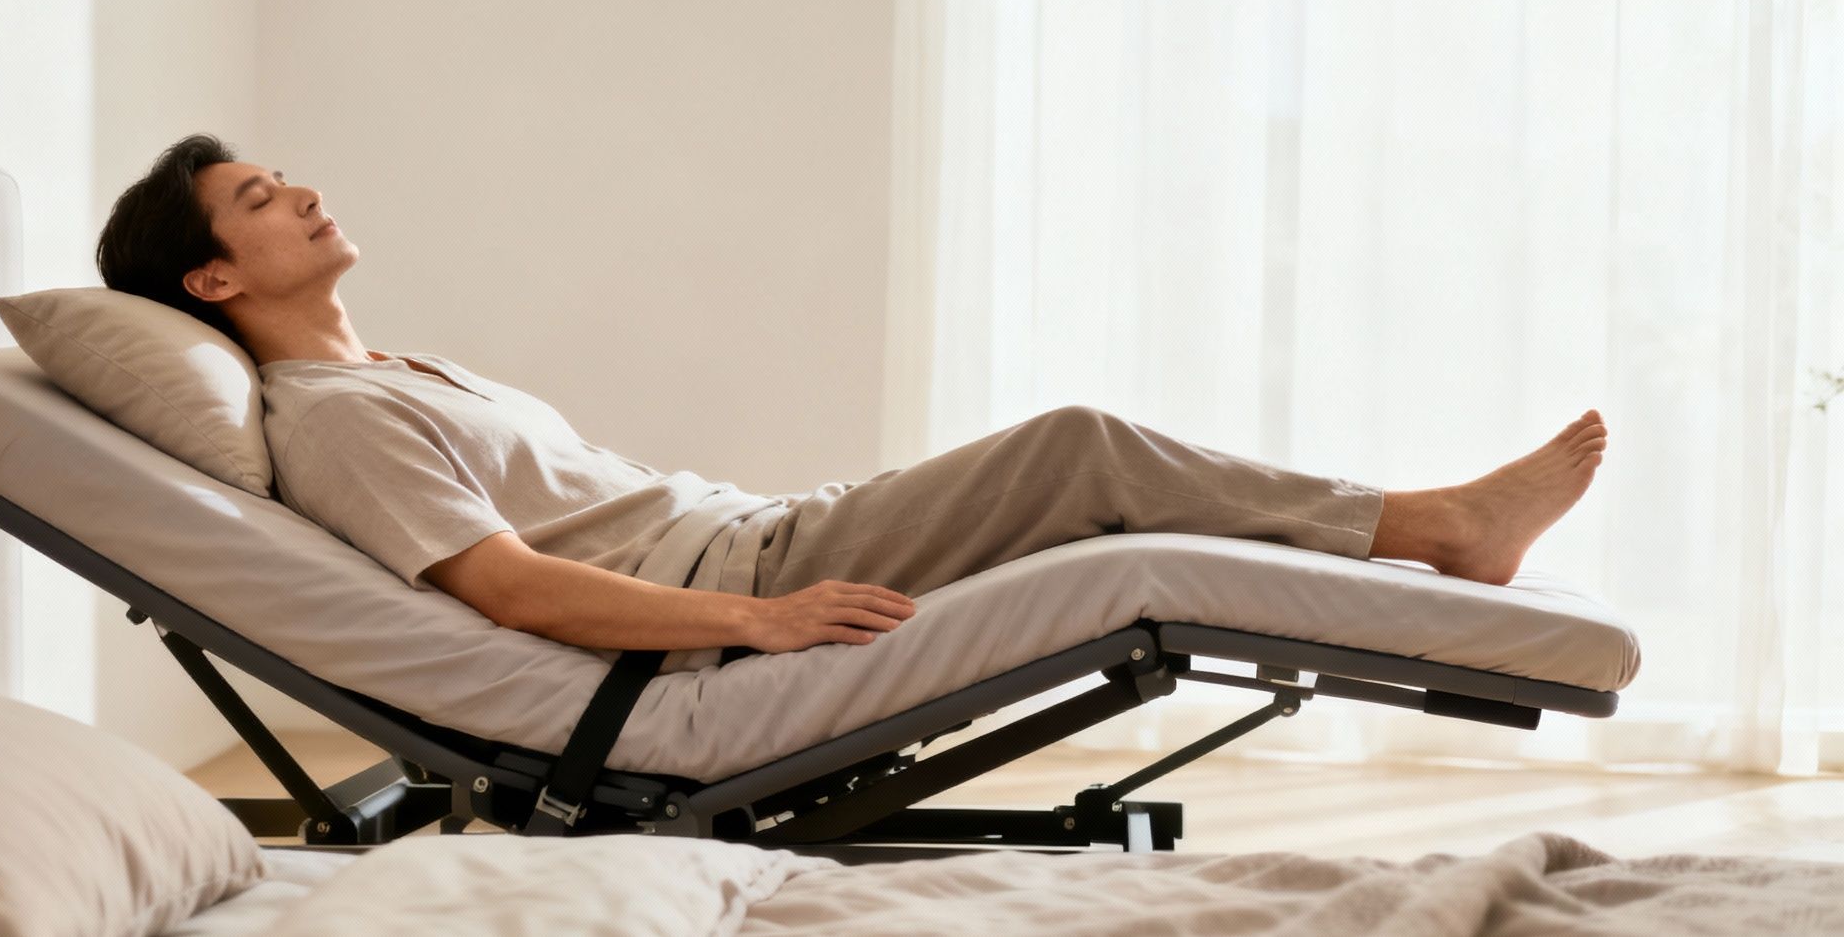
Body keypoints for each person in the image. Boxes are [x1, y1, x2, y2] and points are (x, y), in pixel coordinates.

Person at [96, 135, 1610, 668]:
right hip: (743, 582)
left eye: (282, 173)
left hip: (755, 530)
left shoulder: (393, 368)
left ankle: (1428, 527)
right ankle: (1444, 529)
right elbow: (504, 590)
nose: (298, 191)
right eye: (255, 197)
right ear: (214, 283)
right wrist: (761, 625)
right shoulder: (338, 419)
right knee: (1082, 448)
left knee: (1092, 472)